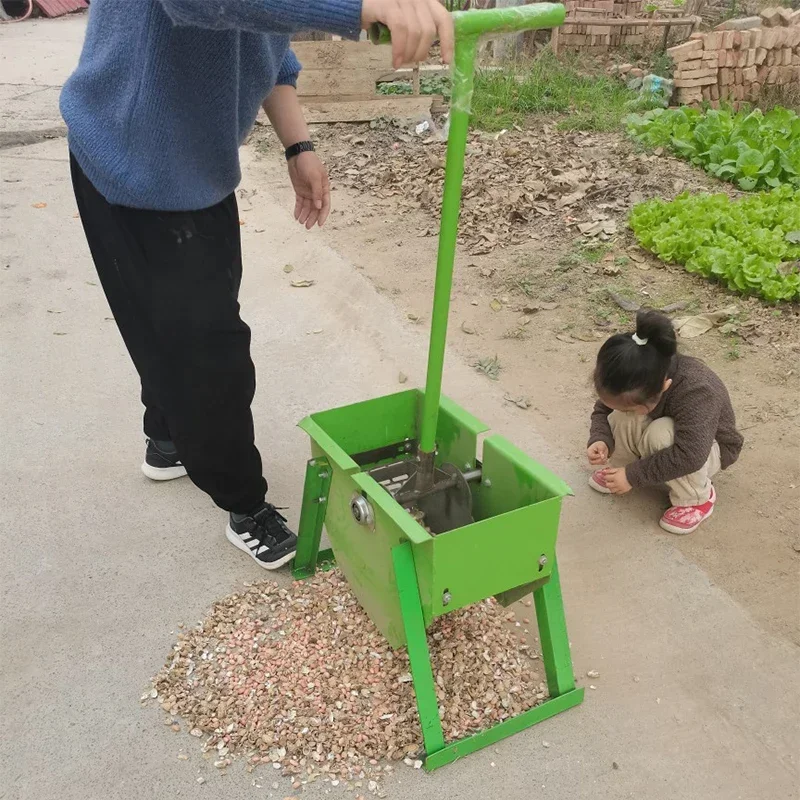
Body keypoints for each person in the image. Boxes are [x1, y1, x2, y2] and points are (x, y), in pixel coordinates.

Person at [60, 0, 453, 569]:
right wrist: (363, 7)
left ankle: (167, 434)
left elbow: (261, 35)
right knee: (209, 350)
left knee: (185, 317)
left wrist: (299, 145)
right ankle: (244, 502)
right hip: (131, 159)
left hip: (197, 162)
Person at [586, 310, 743, 535]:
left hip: (707, 449)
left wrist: (634, 476)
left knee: (661, 433)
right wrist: (601, 438)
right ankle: (622, 468)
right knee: (622, 416)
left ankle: (696, 498)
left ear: (664, 386)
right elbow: (604, 409)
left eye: (629, 406)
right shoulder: (631, 376)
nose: (621, 409)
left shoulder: (697, 390)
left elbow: (691, 454)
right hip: (676, 439)